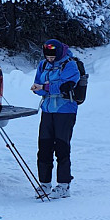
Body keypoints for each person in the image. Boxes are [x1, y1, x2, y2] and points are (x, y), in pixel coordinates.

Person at [30, 39, 81, 198]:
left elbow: (66, 85)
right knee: (44, 147)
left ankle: (64, 185)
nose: (50, 59)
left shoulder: (70, 65)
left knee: (62, 147)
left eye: (52, 56)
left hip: (65, 110)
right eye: (47, 56)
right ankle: (44, 184)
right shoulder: (43, 64)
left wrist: (45, 87)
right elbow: (39, 84)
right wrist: (38, 89)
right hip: (47, 110)